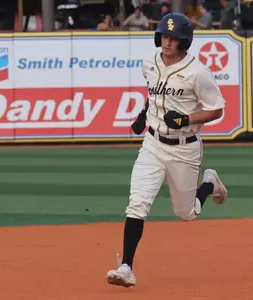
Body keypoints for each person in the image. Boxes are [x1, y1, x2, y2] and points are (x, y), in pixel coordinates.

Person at [106, 12, 228, 288]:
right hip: (152, 143)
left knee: (187, 213)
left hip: (184, 149)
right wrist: (142, 114)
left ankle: (209, 183)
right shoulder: (149, 63)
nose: (167, 41)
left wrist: (187, 119)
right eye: (164, 35)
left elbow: (216, 109)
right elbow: (154, 94)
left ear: (185, 42)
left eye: (173, 38)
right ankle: (126, 267)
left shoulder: (198, 73)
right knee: (138, 201)